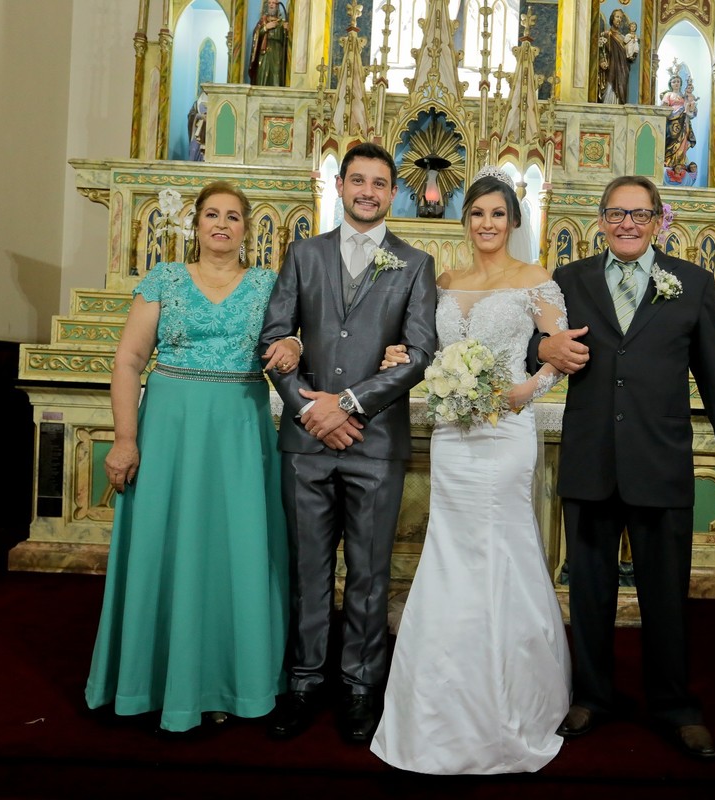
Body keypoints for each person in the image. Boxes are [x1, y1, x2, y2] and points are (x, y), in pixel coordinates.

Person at [536, 175, 715, 762]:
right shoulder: (568, 280)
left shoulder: (691, 282)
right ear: (601, 221)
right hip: (591, 458)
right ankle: (592, 696)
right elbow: (530, 348)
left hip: (659, 460)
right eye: (617, 214)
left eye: (640, 214)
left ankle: (674, 706)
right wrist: (545, 349)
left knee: (665, 595)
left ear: (659, 221)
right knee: (589, 591)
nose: (627, 224)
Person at [369, 170, 571, 774]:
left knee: (503, 546)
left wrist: (526, 390)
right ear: (465, 222)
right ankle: (441, 696)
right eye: (478, 214)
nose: (487, 223)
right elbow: (426, 350)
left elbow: (561, 354)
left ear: (514, 221)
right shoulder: (445, 281)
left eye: (497, 214)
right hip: (453, 434)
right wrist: (402, 355)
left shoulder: (534, 280)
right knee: (450, 550)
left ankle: (511, 695)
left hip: (506, 432)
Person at [86, 181, 296, 734]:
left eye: (233, 216)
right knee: (167, 545)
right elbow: (128, 361)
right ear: (196, 224)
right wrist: (126, 439)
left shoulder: (270, 285)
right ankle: (151, 683)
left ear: (248, 229)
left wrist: (296, 344)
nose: (221, 224)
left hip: (238, 436)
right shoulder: (164, 280)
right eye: (211, 215)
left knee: (235, 550)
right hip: (169, 434)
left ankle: (230, 681)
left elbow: (296, 343)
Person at [258, 142, 438, 745]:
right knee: (307, 569)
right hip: (306, 441)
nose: (368, 191)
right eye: (357, 180)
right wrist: (311, 408)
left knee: (368, 572)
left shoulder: (415, 264)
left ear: (393, 192)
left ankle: (361, 685)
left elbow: (419, 353)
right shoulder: (303, 254)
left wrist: (351, 404)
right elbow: (275, 337)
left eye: (379, 183)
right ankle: (304, 681)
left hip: (375, 442)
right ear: (340, 186)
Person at [597, 9, 636, 105]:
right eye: (617, 17)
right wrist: (602, 61)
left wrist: (632, 54)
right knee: (609, 90)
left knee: (621, 90)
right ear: (612, 18)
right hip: (610, 68)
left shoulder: (623, 38)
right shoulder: (606, 34)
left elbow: (628, 54)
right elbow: (600, 50)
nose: (619, 19)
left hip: (622, 70)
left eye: (621, 18)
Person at [249, 0, 289, 87]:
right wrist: (265, 28)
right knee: (262, 74)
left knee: (276, 76)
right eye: (269, 3)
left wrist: (286, 30)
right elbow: (256, 35)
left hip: (277, 52)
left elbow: (286, 41)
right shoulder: (262, 21)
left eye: (273, 3)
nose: (271, 5)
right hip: (264, 53)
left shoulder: (281, 23)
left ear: (277, 6)